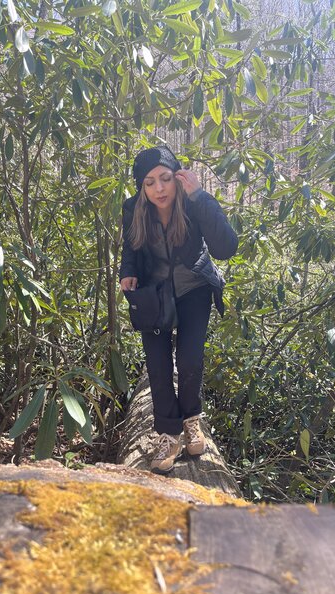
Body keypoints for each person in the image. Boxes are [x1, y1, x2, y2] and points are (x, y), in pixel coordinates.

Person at [119, 145, 238, 474]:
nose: (159, 188)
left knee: (189, 360)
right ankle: (169, 434)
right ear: (141, 187)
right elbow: (130, 247)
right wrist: (127, 272)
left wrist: (199, 196)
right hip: (152, 295)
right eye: (149, 182)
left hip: (193, 290)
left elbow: (226, 247)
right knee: (157, 365)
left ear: (178, 177)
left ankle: (191, 420)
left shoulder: (192, 203)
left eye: (165, 178)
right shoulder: (133, 209)